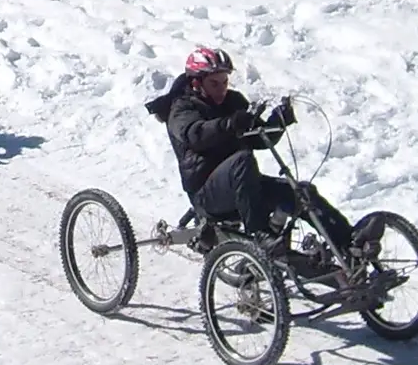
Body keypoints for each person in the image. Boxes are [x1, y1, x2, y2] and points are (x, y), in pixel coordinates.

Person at [145, 46, 381, 258]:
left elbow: (256, 139)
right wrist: (230, 124)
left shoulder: (233, 102)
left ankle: (348, 241)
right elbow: (196, 135)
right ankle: (259, 234)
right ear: (197, 83)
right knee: (242, 160)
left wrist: (277, 122)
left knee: (301, 192)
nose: (222, 89)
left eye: (225, 82)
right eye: (214, 83)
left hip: (244, 185)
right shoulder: (181, 108)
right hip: (207, 194)